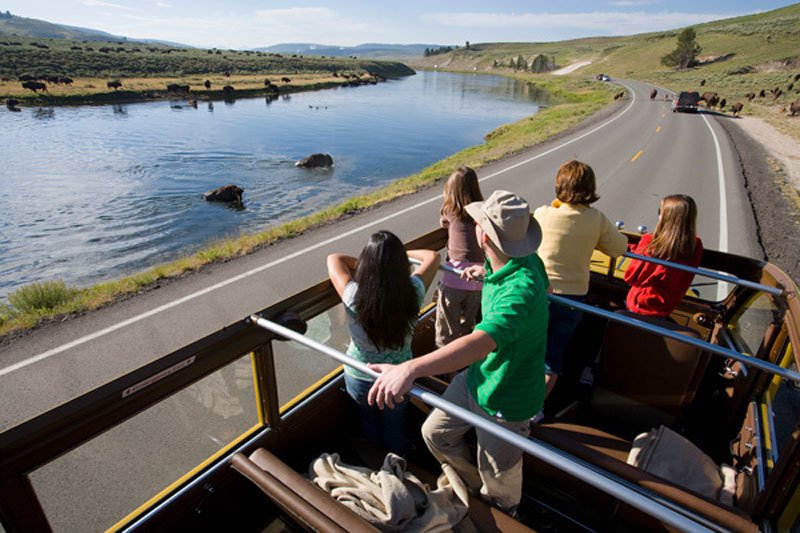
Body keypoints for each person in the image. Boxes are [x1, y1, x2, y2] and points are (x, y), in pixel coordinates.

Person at [367, 191, 548, 514]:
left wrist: (409, 369)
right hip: (480, 377)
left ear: (483, 235)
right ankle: (475, 487)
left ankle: (504, 513)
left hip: (507, 398)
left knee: (501, 483)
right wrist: (486, 273)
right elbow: (530, 282)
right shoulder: (517, 260)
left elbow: (478, 342)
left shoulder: (520, 290)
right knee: (435, 434)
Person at [327, 231, 439, 455]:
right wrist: (396, 258)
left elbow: (334, 259)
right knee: (395, 429)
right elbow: (433, 257)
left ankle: (377, 468)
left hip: (359, 374)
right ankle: (399, 467)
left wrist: (372, 264)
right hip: (397, 378)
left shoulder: (353, 295)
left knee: (368, 426)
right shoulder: (413, 291)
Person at [534, 160, 627, 401]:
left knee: (526, 346)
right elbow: (619, 248)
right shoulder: (596, 219)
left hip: (538, 292)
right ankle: (535, 408)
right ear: (590, 189)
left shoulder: (544, 213)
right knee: (552, 355)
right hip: (572, 297)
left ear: (559, 185)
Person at [625, 194, 703, 318]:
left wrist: (643, 244)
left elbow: (632, 276)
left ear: (666, 217)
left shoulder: (650, 242)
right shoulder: (695, 246)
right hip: (666, 308)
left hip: (640, 306)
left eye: (660, 211)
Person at [435, 166, 485, 348]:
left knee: (447, 330)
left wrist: (445, 199)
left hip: (455, 276)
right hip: (477, 280)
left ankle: (446, 368)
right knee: (468, 327)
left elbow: (442, 223)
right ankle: (464, 361)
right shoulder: (482, 212)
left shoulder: (450, 210)